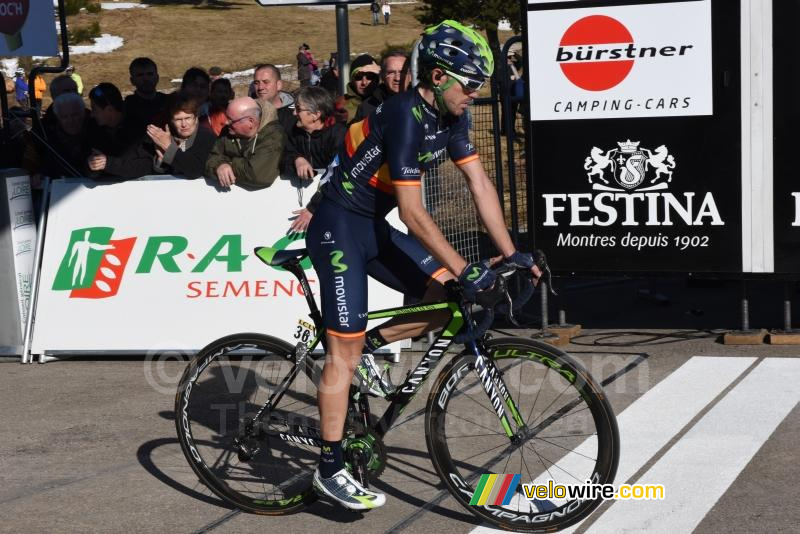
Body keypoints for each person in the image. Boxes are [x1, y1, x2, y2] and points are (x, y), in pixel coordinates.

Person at [305, 19, 541, 510]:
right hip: (338, 226)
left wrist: (512, 249)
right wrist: (466, 268)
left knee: (447, 300)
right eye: (470, 84)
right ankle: (328, 466)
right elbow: (414, 214)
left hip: (373, 226)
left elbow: (480, 185)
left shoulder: (451, 118)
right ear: (438, 78)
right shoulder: (404, 115)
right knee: (342, 354)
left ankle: (371, 346)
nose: (474, 95)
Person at [110, 91, 217, 179]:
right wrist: (160, 162)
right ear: (171, 120)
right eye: (178, 120)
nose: (184, 124)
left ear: (196, 117)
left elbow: (195, 170)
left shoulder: (207, 137)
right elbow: (138, 165)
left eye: (188, 118)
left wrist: (169, 148)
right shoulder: (162, 136)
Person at [205, 96, 284, 190]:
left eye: (231, 120)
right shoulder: (228, 131)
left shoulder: (273, 135)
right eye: (227, 117)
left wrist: (228, 163)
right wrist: (219, 166)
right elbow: (210, 157)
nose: (226, 122)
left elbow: (257, 175)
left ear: (250, 121)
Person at [23, 92, 92, 179]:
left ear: (83, 113)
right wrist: (37, 175)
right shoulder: (44, 135)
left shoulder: (95, 130)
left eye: (75, 115)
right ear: (57, 117)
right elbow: (29, 166)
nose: (71, 121)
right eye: (64, 117)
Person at [86, 82, 142, 178]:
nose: (92, 114)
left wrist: (108, 163)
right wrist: (92, 166)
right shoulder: (93, 129)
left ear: (109, 110)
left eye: (95, 110)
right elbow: (89, 169)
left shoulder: (138, 129)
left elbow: (143, 167)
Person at [354, 51, 408, 122]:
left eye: (402, 72)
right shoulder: (367, 108)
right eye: (391, 73)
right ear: (382, 76)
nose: (397, 78)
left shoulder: (422, 102)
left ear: (411, 75)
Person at [124, 57, 168, 134]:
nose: (146, 79)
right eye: (140, 75)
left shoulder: (169, 102)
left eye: (150, 74)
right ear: (132, 80)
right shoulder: (126, 108)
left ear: (157, 78)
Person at [252, 63, 295, 133]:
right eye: (256, 83)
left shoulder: (295, 114)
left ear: (279, 85)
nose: (260, 87)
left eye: (266, 82)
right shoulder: (249, 113)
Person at [341, 54, 380, 124]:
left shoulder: (387, 100)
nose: (364, 82)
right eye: (358, 77)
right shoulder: (341, 105)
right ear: (352, 80)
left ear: (377, 79)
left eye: (370, 77)